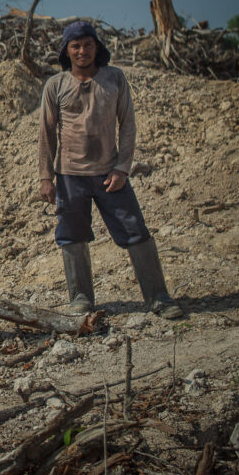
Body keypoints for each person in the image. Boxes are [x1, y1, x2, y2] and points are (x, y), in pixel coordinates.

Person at [39, 21, 183, 319]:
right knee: (72, 235)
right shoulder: (56, 85)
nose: (82, 51)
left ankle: (158, 297)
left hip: (109, 175)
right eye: (75, 46)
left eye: (87, 45)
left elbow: (127, 124)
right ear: (67, 51)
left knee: (135, 231)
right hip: (69, 176)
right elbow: (46, 133)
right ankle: (80, 297)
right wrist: (46, 177)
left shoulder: (115, 78)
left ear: (97, 47)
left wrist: (122, 169)